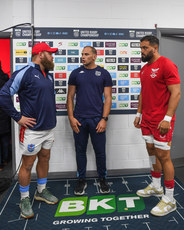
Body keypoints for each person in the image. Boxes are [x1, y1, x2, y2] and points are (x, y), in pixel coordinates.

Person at [0, 43, 59, 219]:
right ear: (40, 54)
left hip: (49, 128)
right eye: (51, 54)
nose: (53, 57)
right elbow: (3, 94)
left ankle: (41, 190)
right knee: (27, 164)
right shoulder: (24, 72)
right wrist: (18, 117)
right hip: (32, 131)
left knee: (45, 158)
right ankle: (24, 199)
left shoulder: (48, 76)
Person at [134, 35, 181, 217]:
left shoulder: (167, 65)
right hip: (146, 119)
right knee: (151, 150)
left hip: (162, 121)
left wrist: (167, 119)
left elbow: (176, 93)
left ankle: (170, 199)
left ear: (155, 47)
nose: (142, 52)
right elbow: (143, 93)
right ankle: (155, 185)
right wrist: (139, 114)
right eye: (141, 48)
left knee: (164, 156)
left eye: (145, 48)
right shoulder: (145, 69)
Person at [67, 46, 112, 195]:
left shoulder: (104, 74)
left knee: (100, 152)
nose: (83, 57)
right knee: (80, 151)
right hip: (79, 120)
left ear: (94, 56)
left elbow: (108, 98)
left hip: (97, 120)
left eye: (86, 54)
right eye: (82, 54)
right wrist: (71, 118)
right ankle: (81, 180)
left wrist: (104, 119)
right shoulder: (75, 73)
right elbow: (70, 97)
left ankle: (102, 179)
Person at [0, 62, 11, 171]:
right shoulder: (6, 78)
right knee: (5, 140)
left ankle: (1, 165)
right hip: (4, 113)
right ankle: (6, 160)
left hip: (3, 113)